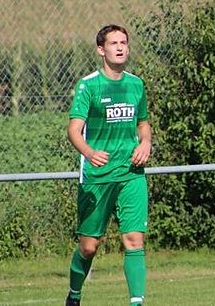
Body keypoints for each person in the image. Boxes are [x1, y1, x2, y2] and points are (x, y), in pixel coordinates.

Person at [65, 25, 152, 306]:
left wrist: (146, 142)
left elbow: (143, 123)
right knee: (89, 247)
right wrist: (89, 153)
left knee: (134, 240)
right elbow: (73, 130)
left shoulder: (136, 84)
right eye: (114, 43)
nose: (120, 47)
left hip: (131, 173)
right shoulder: (88, 86)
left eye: (124, 42)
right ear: (101, 50)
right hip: (97, 176)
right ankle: (74, 295)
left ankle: (137, 303)